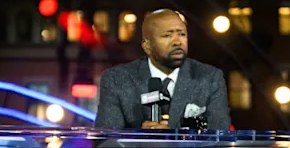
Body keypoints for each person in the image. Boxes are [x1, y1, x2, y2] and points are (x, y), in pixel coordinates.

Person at [94, 8, 231, 130]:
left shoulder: (210, 78)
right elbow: (105, 141)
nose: (177, 42)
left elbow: (220, 139)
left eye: (182, 34)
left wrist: (171, 136)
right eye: (167, 35)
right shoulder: (117, 80)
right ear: (147, 46)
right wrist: (140, 137)